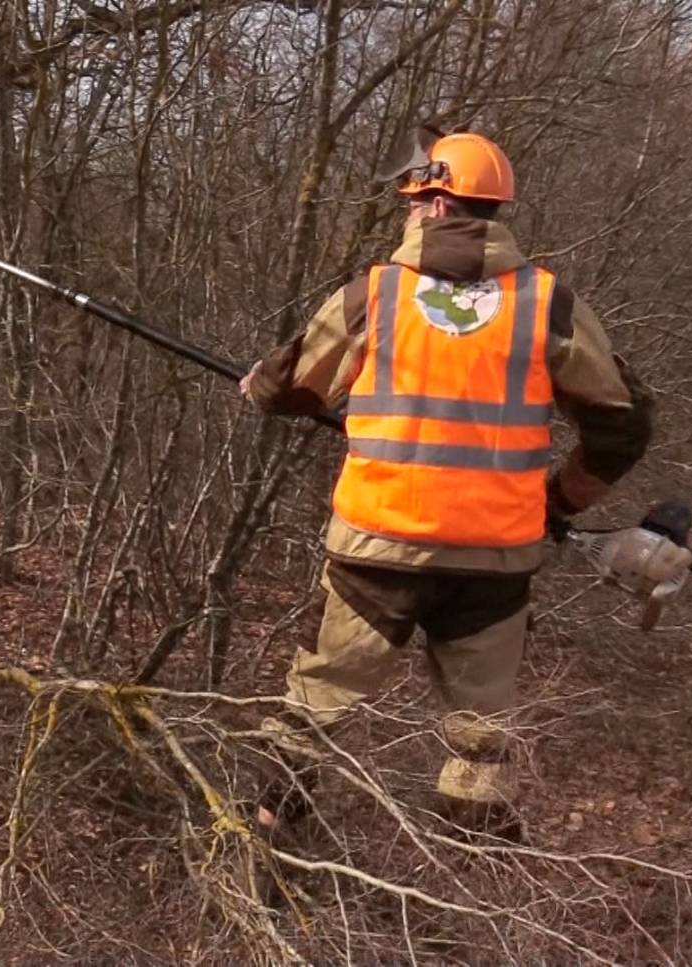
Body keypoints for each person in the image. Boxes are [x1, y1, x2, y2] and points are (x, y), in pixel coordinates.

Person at [239, 130, 654, 840]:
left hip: (376, 550)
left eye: (411, 200)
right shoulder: (547, 304)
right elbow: (622, 425)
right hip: (492, 562)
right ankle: (473, 895)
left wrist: (265, 385)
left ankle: (268, 844)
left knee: (315, 706)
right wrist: (558, 499)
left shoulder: (374, 295)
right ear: (493, 210)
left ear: (432, 203)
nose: (407, 214)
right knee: (481, 738)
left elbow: (286, 389)